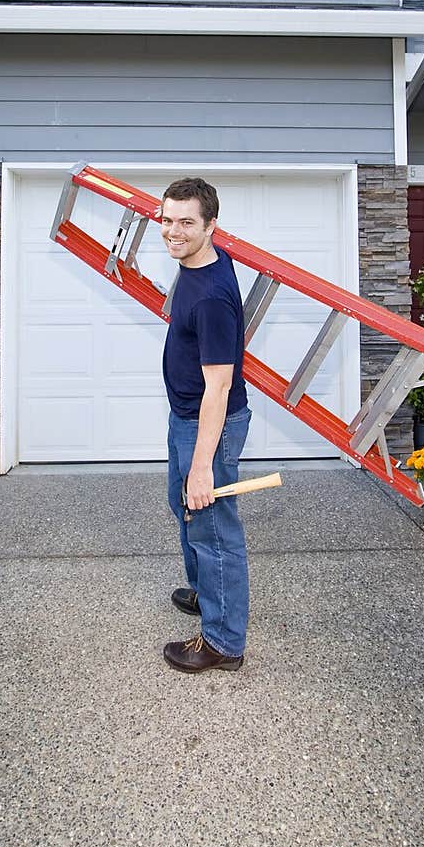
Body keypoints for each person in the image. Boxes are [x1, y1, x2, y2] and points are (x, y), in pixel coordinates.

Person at [159, 177, 251, 673]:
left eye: (186, 223)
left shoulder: (213, 296)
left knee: (213, 528)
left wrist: (203, 468)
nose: (173, 231)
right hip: (185, 418)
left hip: (208, 425)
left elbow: (219, 388)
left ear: (210, 226)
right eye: (167, 219)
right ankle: (205, 593)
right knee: (185, 510)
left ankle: (222, 643)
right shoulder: (194, 263)